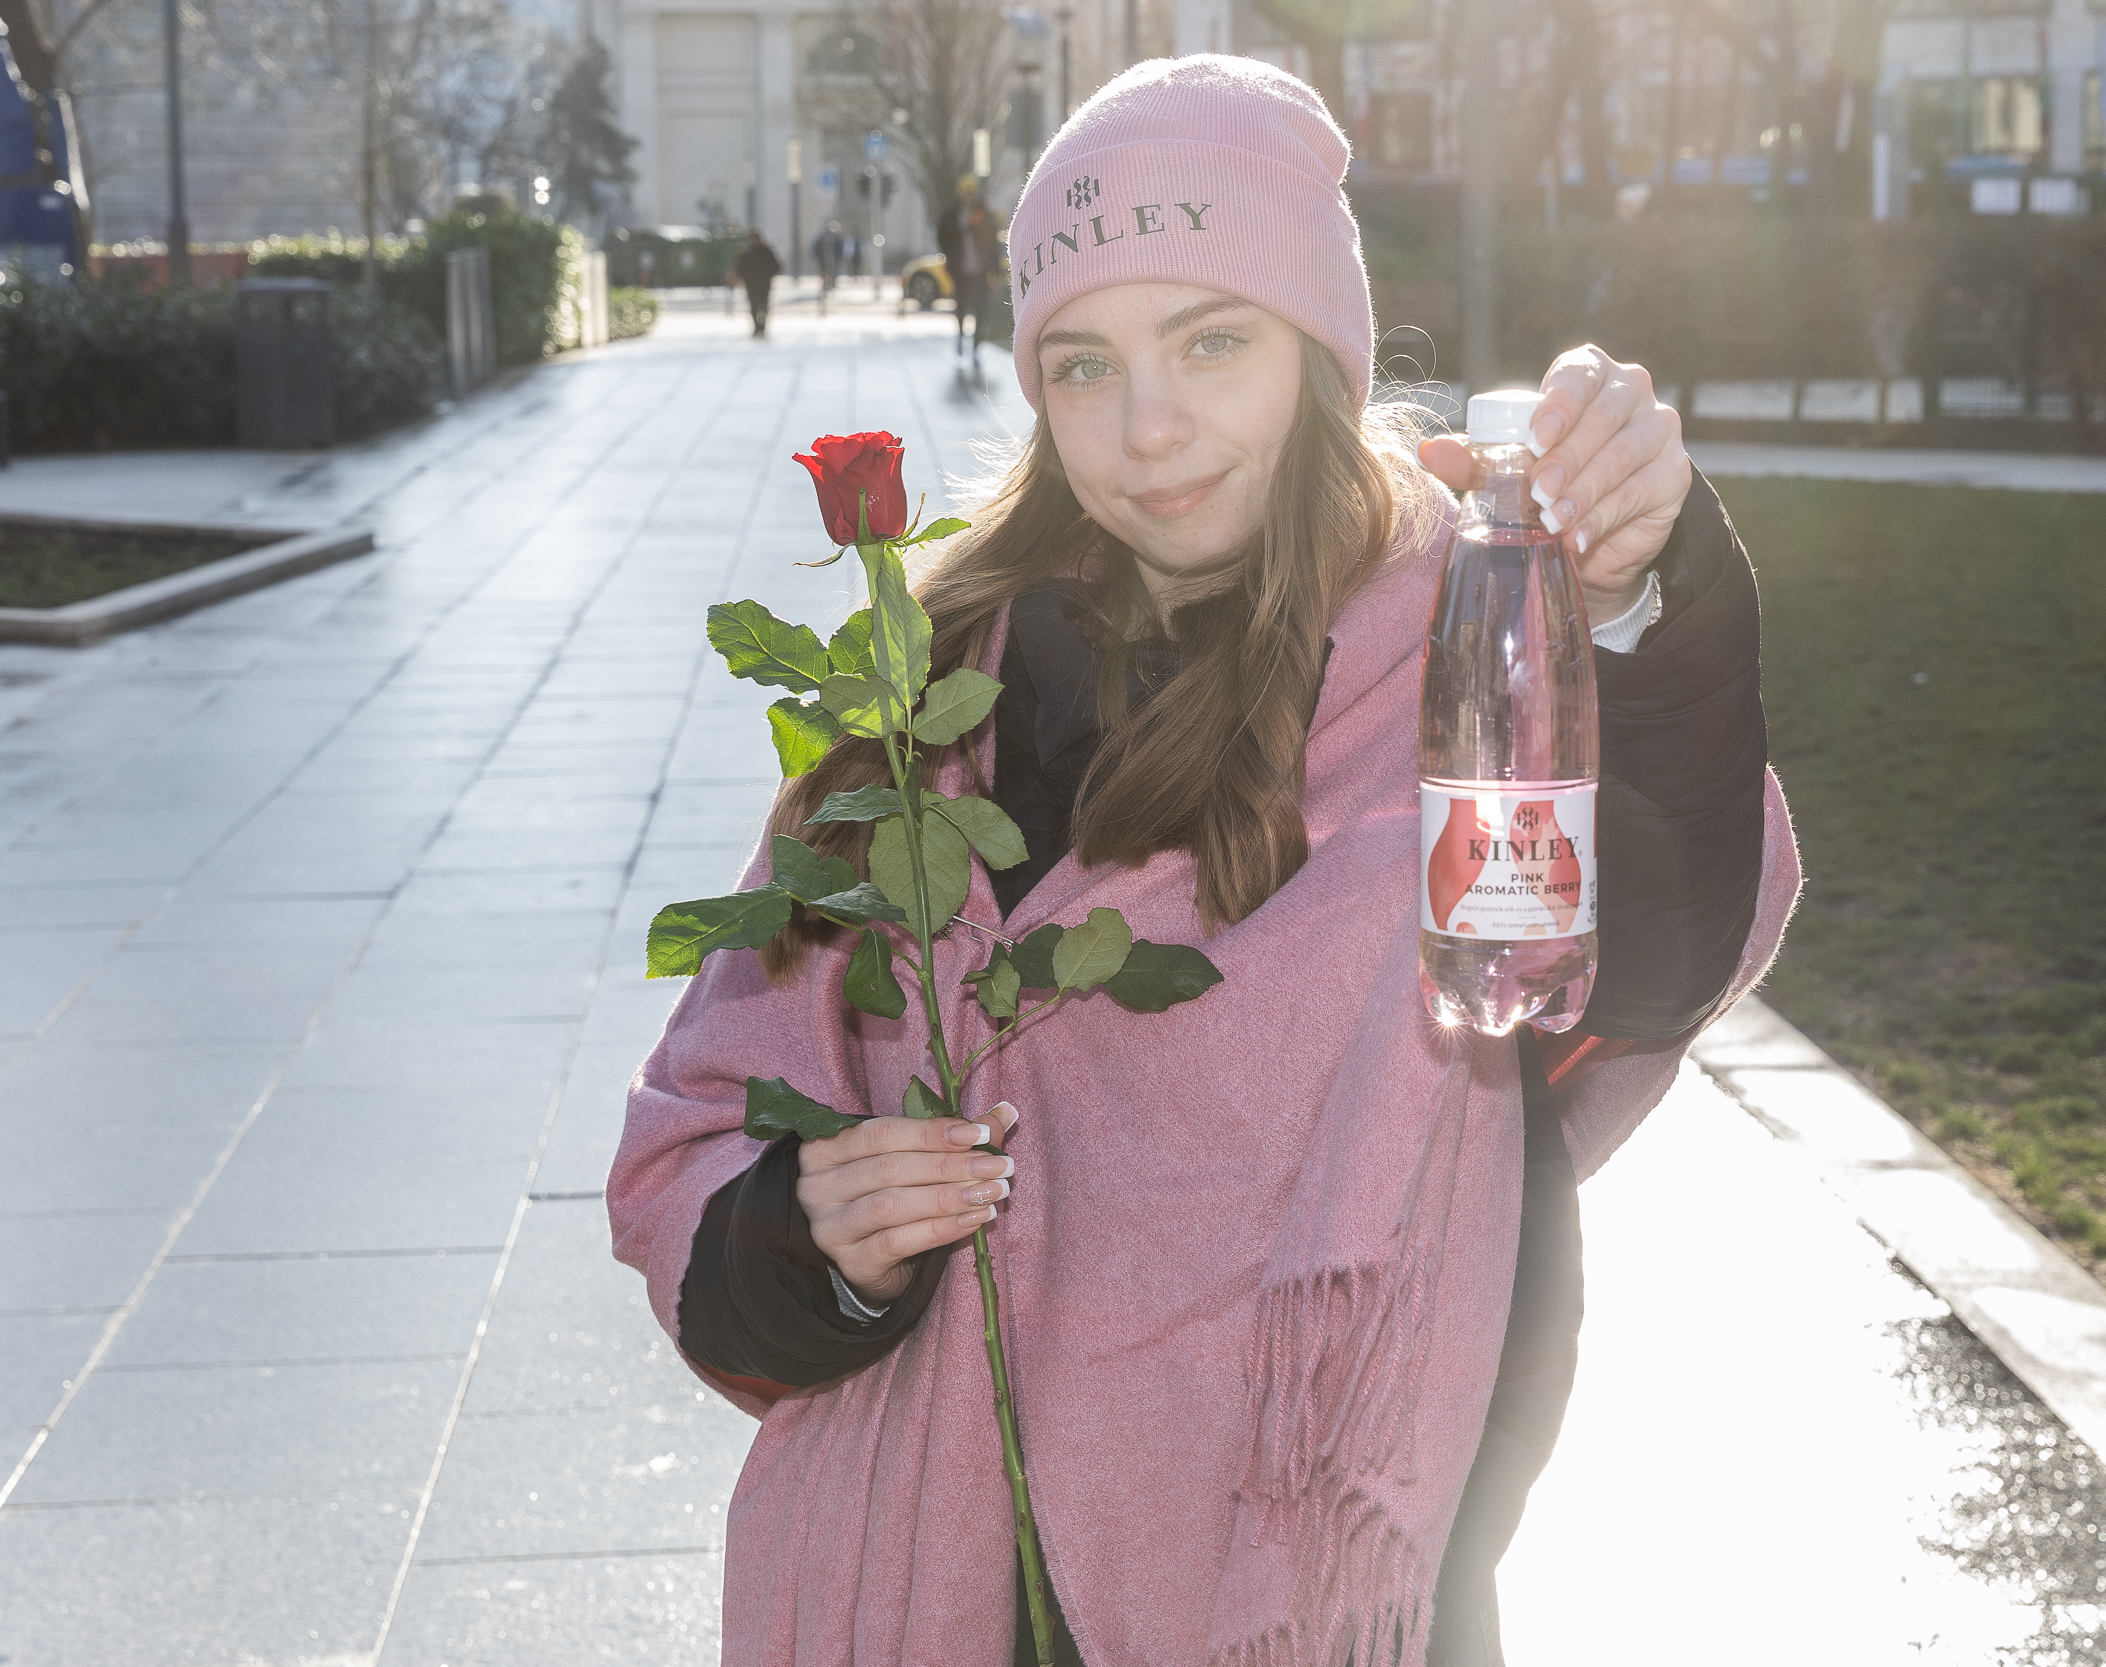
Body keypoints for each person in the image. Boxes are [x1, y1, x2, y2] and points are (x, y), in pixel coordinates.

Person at [611, 55, 1799, 1667]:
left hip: (1308, 1605)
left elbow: (1644, 962)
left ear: (1320, 350)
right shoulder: (921, 697)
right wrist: (808, 1237)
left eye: (1213, 341)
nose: (1147, 424)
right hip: (929, 1589)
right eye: (1085, 362)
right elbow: (693, 1135)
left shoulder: (1470, 643)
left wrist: (1647, 602)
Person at [938, 175, 1002, 365]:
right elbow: (942, 238)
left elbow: (993, 246)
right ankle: (960, 336)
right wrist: (951, 255)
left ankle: (976, 347)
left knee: (980, 309)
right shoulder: (952, 215)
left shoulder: (985, 215)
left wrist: (996, 273)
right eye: (966, 192)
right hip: (960, 270)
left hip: (981, 271)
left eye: (972, 192)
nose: (969, 196)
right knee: (961, 306)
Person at [732, 230, 781, 337]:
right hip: (751, 284)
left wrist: (767, 274)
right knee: (754, 306)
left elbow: (776, 267)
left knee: (763, 305)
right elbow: (739, 268)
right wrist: (740, 278)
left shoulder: (767, 252)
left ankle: (762, 327)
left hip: (764, 283)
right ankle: (756, 327)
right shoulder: (746, 253)